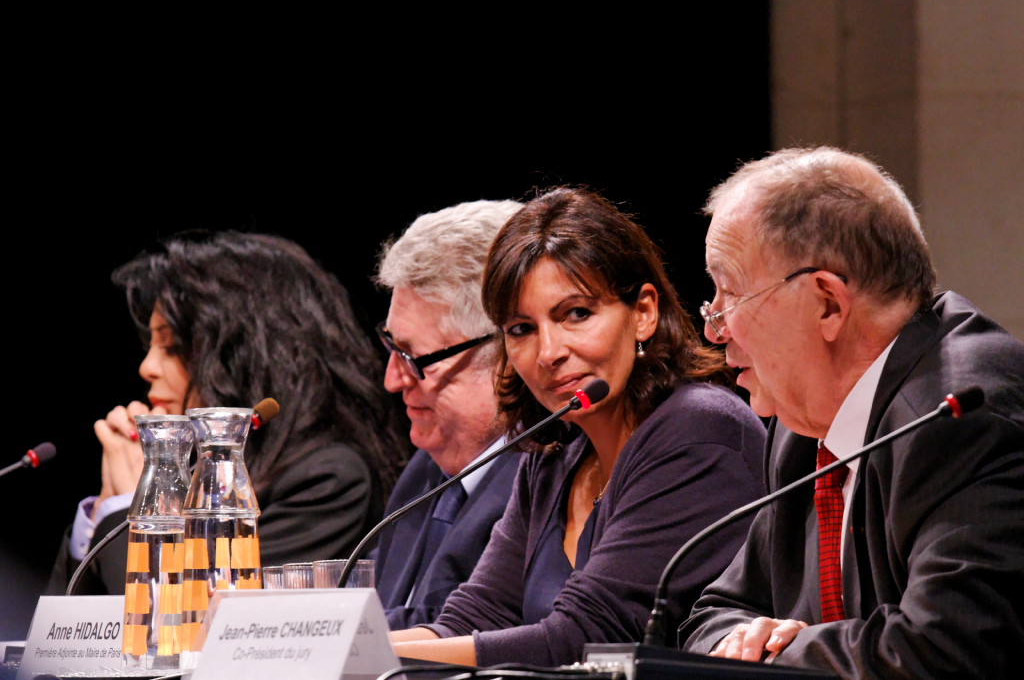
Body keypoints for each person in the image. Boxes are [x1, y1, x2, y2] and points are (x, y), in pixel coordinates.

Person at [679, 147, 1024, 677]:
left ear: (828, 305)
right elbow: (710, 618)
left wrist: (788, 653)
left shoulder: (959, 416)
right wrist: (755, 642)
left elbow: (949, 652)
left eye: (729, 294)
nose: (713, 329)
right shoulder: (805, 434)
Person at [391, 187, 767, 666]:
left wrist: (355, 657)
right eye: (521, 329)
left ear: (644, 313)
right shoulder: (554, 451)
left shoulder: (700, 432)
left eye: (576, 314)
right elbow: (472, 618)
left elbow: (584, 640)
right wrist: (331, 653)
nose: (548, 352)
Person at [47, 232, 410, 595]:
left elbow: (196, 623)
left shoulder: (327, 481)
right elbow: (60, 640)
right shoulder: (190, 466)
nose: (147, 367)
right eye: (150, 345)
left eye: (171, 346)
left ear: (244, 354)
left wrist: (135, 510)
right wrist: (105, 509)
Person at [371, 200, 525, 629]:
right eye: (390, 347)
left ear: (506, 351)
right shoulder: (427, 468)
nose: (392, 380)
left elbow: (461, 632)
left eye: (412, 356)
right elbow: (369, 593)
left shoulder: (544, 478)